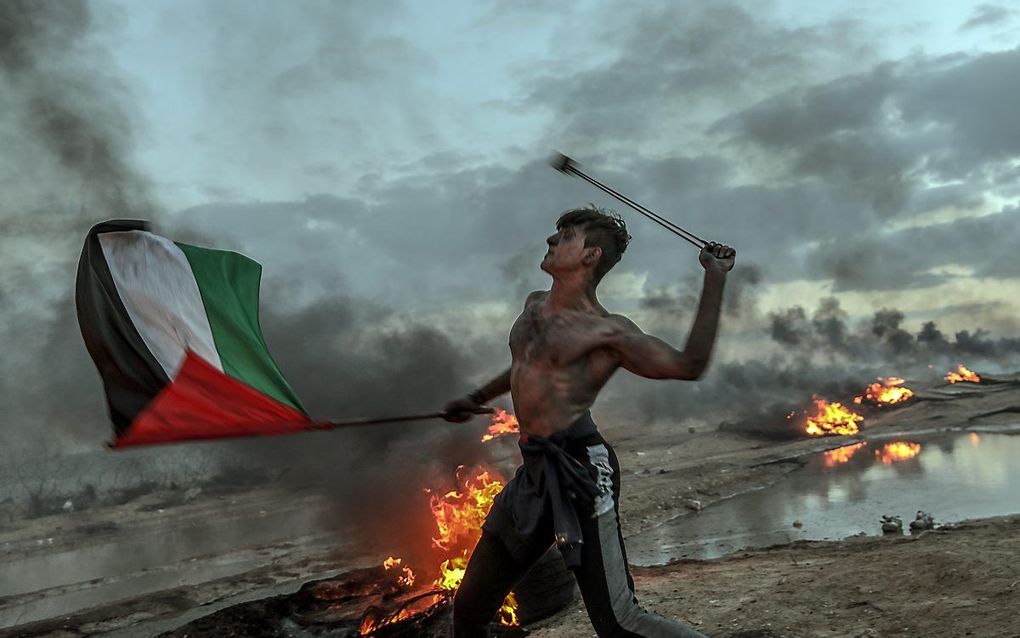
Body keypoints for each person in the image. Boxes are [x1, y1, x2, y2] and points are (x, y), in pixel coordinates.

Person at [444, 205, 734, 638]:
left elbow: (688, 364)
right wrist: (476, 397)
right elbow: (529, 365)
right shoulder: (533, 307)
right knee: (469, 609)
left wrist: (715, 278)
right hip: (535, 471)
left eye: (565, 236)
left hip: (581, 471)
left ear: (590, 255)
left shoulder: (608, 333)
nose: (550, 241)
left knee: (620, 623)